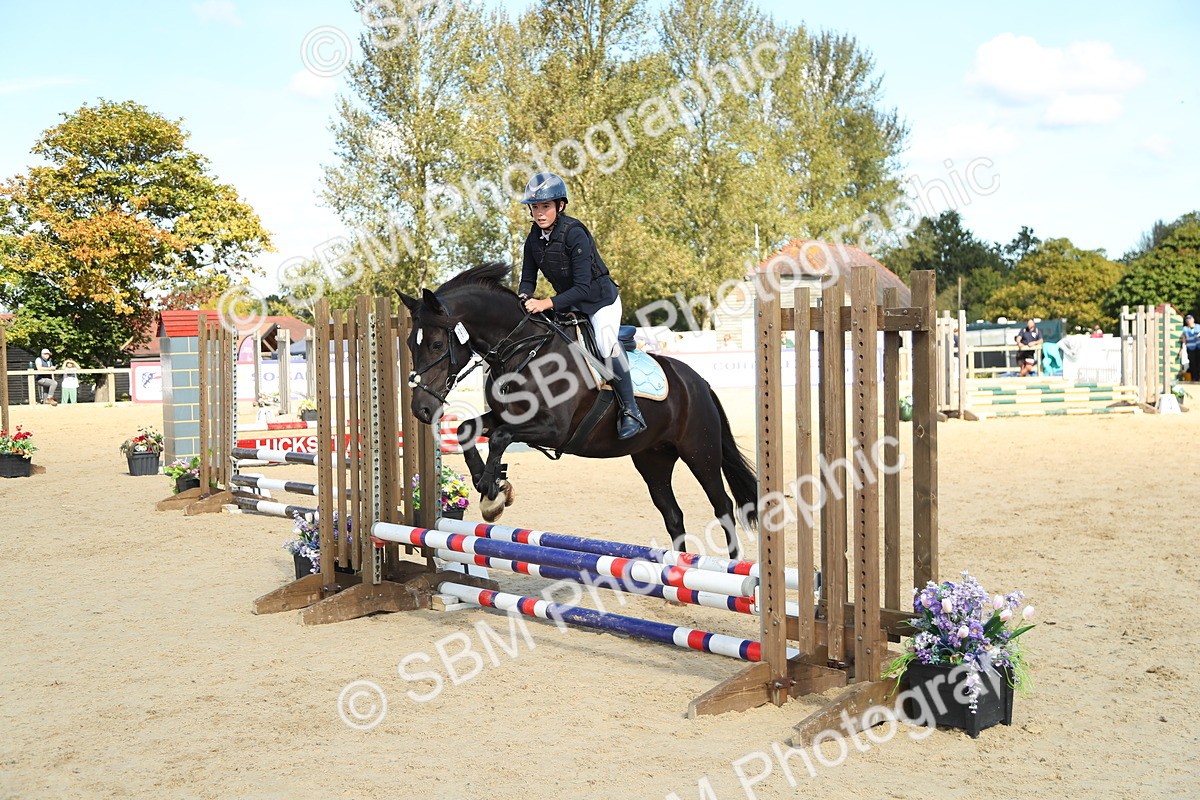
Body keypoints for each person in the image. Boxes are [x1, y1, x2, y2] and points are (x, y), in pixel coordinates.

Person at [517, 171, 646, 439]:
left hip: (599, 300)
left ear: (560, 206)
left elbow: (584, 287)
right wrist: (523, 297)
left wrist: (545, 303)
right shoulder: (532, 239)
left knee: (604, 342)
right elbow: (527, 279)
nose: (540, 213)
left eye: (545, 207)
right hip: (568, 303)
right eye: (535, 207)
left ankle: (631, 411)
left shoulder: (575, 233)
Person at [1182, 314, 1200, 381]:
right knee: (1192, 363)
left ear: (1193, 320)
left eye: (1190, 319)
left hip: (1198, 347)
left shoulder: (1198, 327)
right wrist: (1182, 348)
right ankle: (1194, 378)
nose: (1189, 321)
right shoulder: (1185, 329)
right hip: (1190, 348)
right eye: (1187, 320)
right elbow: (1184, 339)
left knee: (1198, 362)